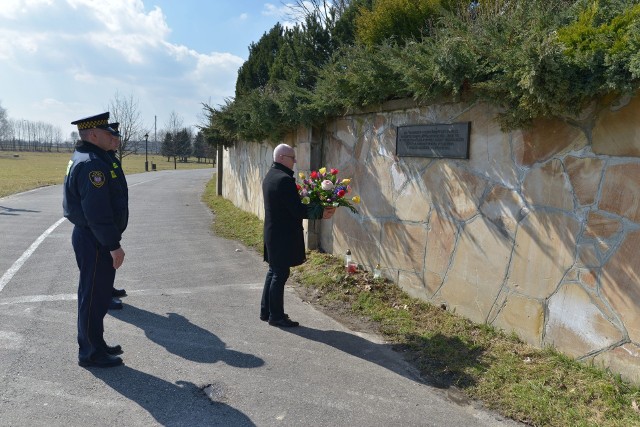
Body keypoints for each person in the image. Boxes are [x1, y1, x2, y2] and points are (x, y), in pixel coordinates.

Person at [63, 112, 128, 368]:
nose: (112, 137)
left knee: (97, 295)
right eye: (106, 133)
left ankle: (96, 343)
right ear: (93, 135)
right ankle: (90, 352)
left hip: (92, 236)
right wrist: (113, 245)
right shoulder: (92, 164)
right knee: (92, 297)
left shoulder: (91, 157)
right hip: (95, 239)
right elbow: (97, 212)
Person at [260, 144, 335, 327]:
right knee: (280, 273)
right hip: (282, 235)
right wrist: (320, 213)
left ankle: (266, 311)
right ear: (282, 158)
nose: (294, 161)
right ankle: (276, 316)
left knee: (273, 271)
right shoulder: (284, 180)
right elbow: (296, 209)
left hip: (273, 232)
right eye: (292, 158)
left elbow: (288, 205)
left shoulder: (270, 176)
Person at [106, 122, 127, 310]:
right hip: (106, 222)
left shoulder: (111, 157)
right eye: (113, 138)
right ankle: (103, 295)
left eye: (118, 138)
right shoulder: (101, 159)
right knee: (103, 261)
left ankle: (108, 288)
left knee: (109, 261)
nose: (117, 141)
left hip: (114, 220)